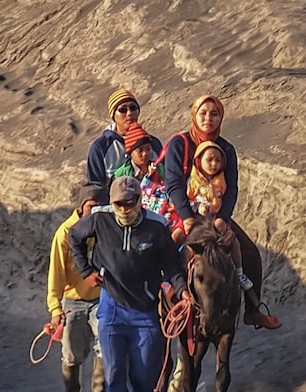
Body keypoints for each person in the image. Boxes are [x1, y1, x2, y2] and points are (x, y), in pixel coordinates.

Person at [69, 176, 191, 392]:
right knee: (114, 374)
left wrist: (182, 290)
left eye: (130, 202)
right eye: (118, 203)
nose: (124, 208)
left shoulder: (157, 226)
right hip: (111, 309)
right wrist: (85, 270)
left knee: (147, 374)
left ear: (139, 201)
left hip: (145, 310)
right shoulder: (99, 220)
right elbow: (73, 237)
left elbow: (171, 265)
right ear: (111, 203)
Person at [163, 94, 281, 330]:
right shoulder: (180, 144)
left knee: (249, 252)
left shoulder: (226, 149)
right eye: (203, 113)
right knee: (162, 249)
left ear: (221, 117)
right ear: (194, 115)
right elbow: (174, 183)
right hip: (182, 212)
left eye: (214, 113)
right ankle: (154, 299)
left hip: (214, 214)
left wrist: (222, 220)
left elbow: (231, 189)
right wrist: (187, 218)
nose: (208, 118)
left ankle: (252, 309)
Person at [46, 183, 107, 392]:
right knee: (71, 352)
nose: (95, 212)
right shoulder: (65, 232)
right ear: (81, 206)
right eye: (91, 206)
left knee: (105, 347)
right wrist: (55, 308)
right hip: (74, 301)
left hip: (102, 300)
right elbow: (56, 273)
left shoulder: (106, 229)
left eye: (100, 207)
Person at [183, 140, 254, 290]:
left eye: (218, 160)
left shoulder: (221, 181)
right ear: (198, 161)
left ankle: (239, 272)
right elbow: (188, 198)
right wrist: (196, 207)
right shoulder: (194, 181)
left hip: (216, 220)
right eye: (209, 160)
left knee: (233, 241)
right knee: (187, 245)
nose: (214, 164)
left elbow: (227, 196)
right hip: (199, 222)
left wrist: (222, 217)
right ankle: (182, 276)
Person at [85, 88, 163, 200]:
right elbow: (95, 185)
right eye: (122, 110)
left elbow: (166, 176)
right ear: (113, 116)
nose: (129, 113)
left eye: (133, 108)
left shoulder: (153, 143)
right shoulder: (101, 147)